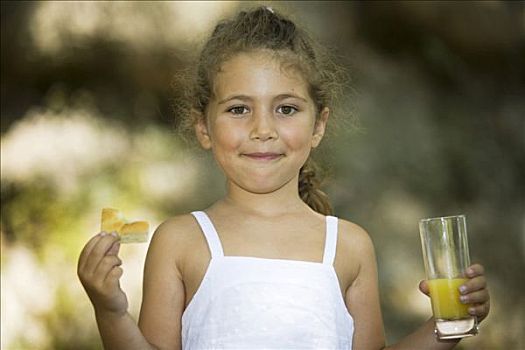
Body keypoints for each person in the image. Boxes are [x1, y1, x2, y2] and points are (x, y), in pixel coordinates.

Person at [77, 7, 490, 350]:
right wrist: (110, 310)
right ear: (203, 126)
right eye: (239, 109)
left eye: (286, 109)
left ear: (318, 125)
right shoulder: (181, 241)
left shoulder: (349, 245)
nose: (263, 129)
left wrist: (449, 323)